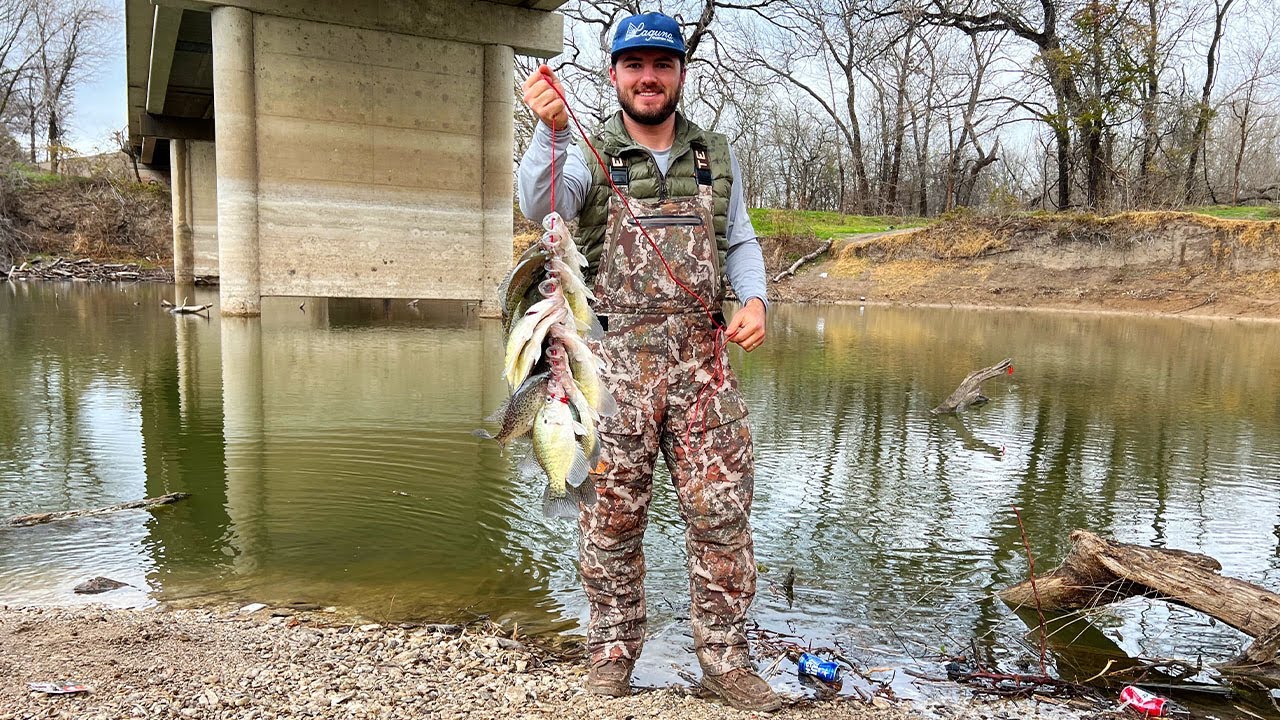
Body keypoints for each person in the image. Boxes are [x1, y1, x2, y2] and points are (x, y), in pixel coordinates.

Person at [516, 11, 780, 713]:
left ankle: (725, 663)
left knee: (723, 520)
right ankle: (610, 655)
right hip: (609, 373)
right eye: (634, 65)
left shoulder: (714, 153)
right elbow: (542, 203)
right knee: (608, 524)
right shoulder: (587, 150)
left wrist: (755, 299)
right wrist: (549, 132)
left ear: (680, 73)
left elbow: (740, 241)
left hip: (704, 372)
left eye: (662, 64)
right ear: (615, 75)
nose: (648, 77)